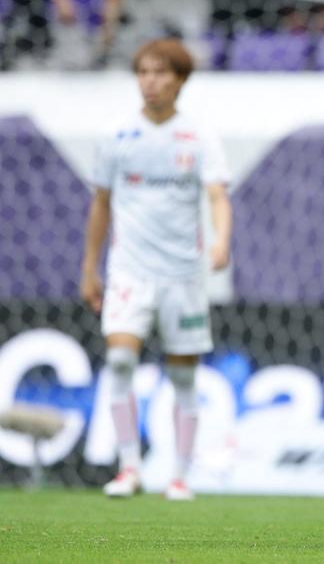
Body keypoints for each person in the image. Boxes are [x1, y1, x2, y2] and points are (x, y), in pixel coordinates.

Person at [80, 38, 233, 502]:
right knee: (121, 359)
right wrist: (90, 268)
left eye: (161, 73)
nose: (151, 81)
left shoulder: (198, 136)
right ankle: (129, 468)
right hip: (129, 271)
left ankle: (180, 476)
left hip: (183, 275)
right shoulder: (116, 135)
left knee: (184, 376)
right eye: (144, 72)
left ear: (180, 80)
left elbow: (217, 196)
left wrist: (221, 238)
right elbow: (101, 206)